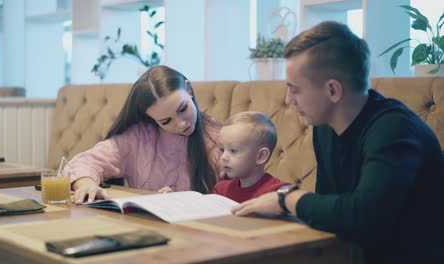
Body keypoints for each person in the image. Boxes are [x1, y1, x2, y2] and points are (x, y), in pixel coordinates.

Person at [232, 21, 444, 263]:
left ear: (333, 90)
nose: (289, 100)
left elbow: (363, 217)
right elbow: (331, 208)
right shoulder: (324, 127)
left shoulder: (394, 130)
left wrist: (286, 199)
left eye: (295, 89)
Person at [68, 65, 221, 203]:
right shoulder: (138, 138)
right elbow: (84, 162)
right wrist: (86, 183)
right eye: (166, 121)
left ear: (188, 90)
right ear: (151, 118)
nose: (181, 124)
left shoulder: (220, 138)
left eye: (183, 109)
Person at [213, 111, 290, 203]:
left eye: (233, 150)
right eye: (222, 150)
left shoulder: (279, 193)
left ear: (261, 156)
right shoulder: (221, 190)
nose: (223, 157)